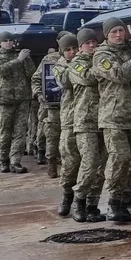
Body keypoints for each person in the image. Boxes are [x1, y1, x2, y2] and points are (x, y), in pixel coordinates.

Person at [94, 17, 131, 223]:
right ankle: (114, 202)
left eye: (121, 31)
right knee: (120, 158)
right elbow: (119, 74)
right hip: (113, 118)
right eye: (114, 32)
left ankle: (128, 194)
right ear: (107, 35)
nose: (118, 35)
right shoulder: (102, 55)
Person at [67, 29, 106, 221]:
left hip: (104, 119)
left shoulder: (99, 59)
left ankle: (92, 205)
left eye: (95, 42)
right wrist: (103, 67)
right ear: (81, 46)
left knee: (100, 169)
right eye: (88, 43)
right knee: (89, 164)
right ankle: (79, 201)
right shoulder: (76, 63)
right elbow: (88, 78)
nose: (93, 46)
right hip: (85, 121)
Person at [0, 33, 36, 172]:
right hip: (5, 99)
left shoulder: (19, 55)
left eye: (10, 41)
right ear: (0, 43)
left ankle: (16, 161)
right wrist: (18, 60)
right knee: (4, 131)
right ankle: (4, 160)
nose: (9, 43)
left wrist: (26, 59)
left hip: (22, 98)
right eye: (5, 41)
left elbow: (31, 72)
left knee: (20, 131)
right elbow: (0, 71)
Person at [53, 32, 81, 217]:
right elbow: (65, 81)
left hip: (89, 119)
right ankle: (67, 196)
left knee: (90, 164)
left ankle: (83, 201)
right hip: (70, 120)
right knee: (70, 161)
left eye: (74, 48)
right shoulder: (59, 66)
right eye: (68, 50)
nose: (72, 52)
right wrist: (76, 62)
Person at [33, 47, 61, 175]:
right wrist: (39, 94)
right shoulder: (50, 59)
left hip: (74, 106)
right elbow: (36, 79)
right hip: (52, 106)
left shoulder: (79, 57)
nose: (71, 51)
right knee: (51, 135)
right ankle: (50, 161)